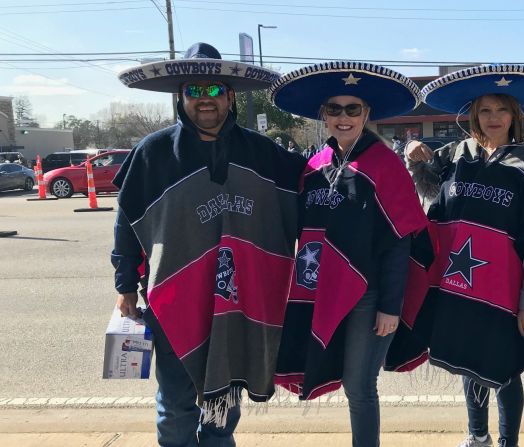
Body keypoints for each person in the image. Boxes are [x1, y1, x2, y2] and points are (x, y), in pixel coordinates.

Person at [112, 42, 306, 446]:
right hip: (175, 297)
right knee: (176, 404)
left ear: (230, 96)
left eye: (215, 90)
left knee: (226, 402)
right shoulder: (154, 153)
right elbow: (127, 222)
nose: (205, 99)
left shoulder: (262, 152)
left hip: (241, 302)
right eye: (194, 90)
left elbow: (314, 186)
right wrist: (125, 283)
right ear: (180, 96)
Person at [402, 65, 524, 447]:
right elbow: (428, 189)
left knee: (503, 367)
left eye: (501, 110)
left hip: (506, 290)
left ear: (515, 115)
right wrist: (412, 155)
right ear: (473, 116)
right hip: (459, 282)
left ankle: (508, 441)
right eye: (485, 111)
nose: (493, 118)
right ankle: (477, 435)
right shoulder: (458, 153)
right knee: (468, 360)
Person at [268, 61, 430, 447]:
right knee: (340, 379)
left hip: (368, 297)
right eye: (335, 109)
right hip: (323, 291)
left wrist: (391, 306)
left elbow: (399, 240)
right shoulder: (314, 165)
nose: (343, 117)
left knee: (359, 386)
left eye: (352, 108)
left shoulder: (385, 165)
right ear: (324, 115)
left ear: (366, 114)